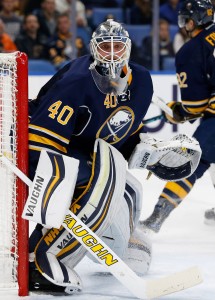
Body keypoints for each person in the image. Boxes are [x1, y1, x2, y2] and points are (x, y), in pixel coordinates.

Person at [27, 19, 201, 294]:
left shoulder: (141, 80)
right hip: (50, 148)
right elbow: (41, 140)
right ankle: (41, 257)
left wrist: (150, 155)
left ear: (127, 49)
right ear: (94, 50)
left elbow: (122, 134)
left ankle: (115, 240)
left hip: (90, 152)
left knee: (130, 189)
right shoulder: (76, 82)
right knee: (103, 181)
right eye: (104, 47)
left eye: (117, 46)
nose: (111, 53)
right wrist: (56, 190)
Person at [141, 0, 215, 233]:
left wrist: (177, 113)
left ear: (193, 21)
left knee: (192, 161)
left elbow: (195, 106)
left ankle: (155, 219)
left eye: (185, 20)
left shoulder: (192, 49)